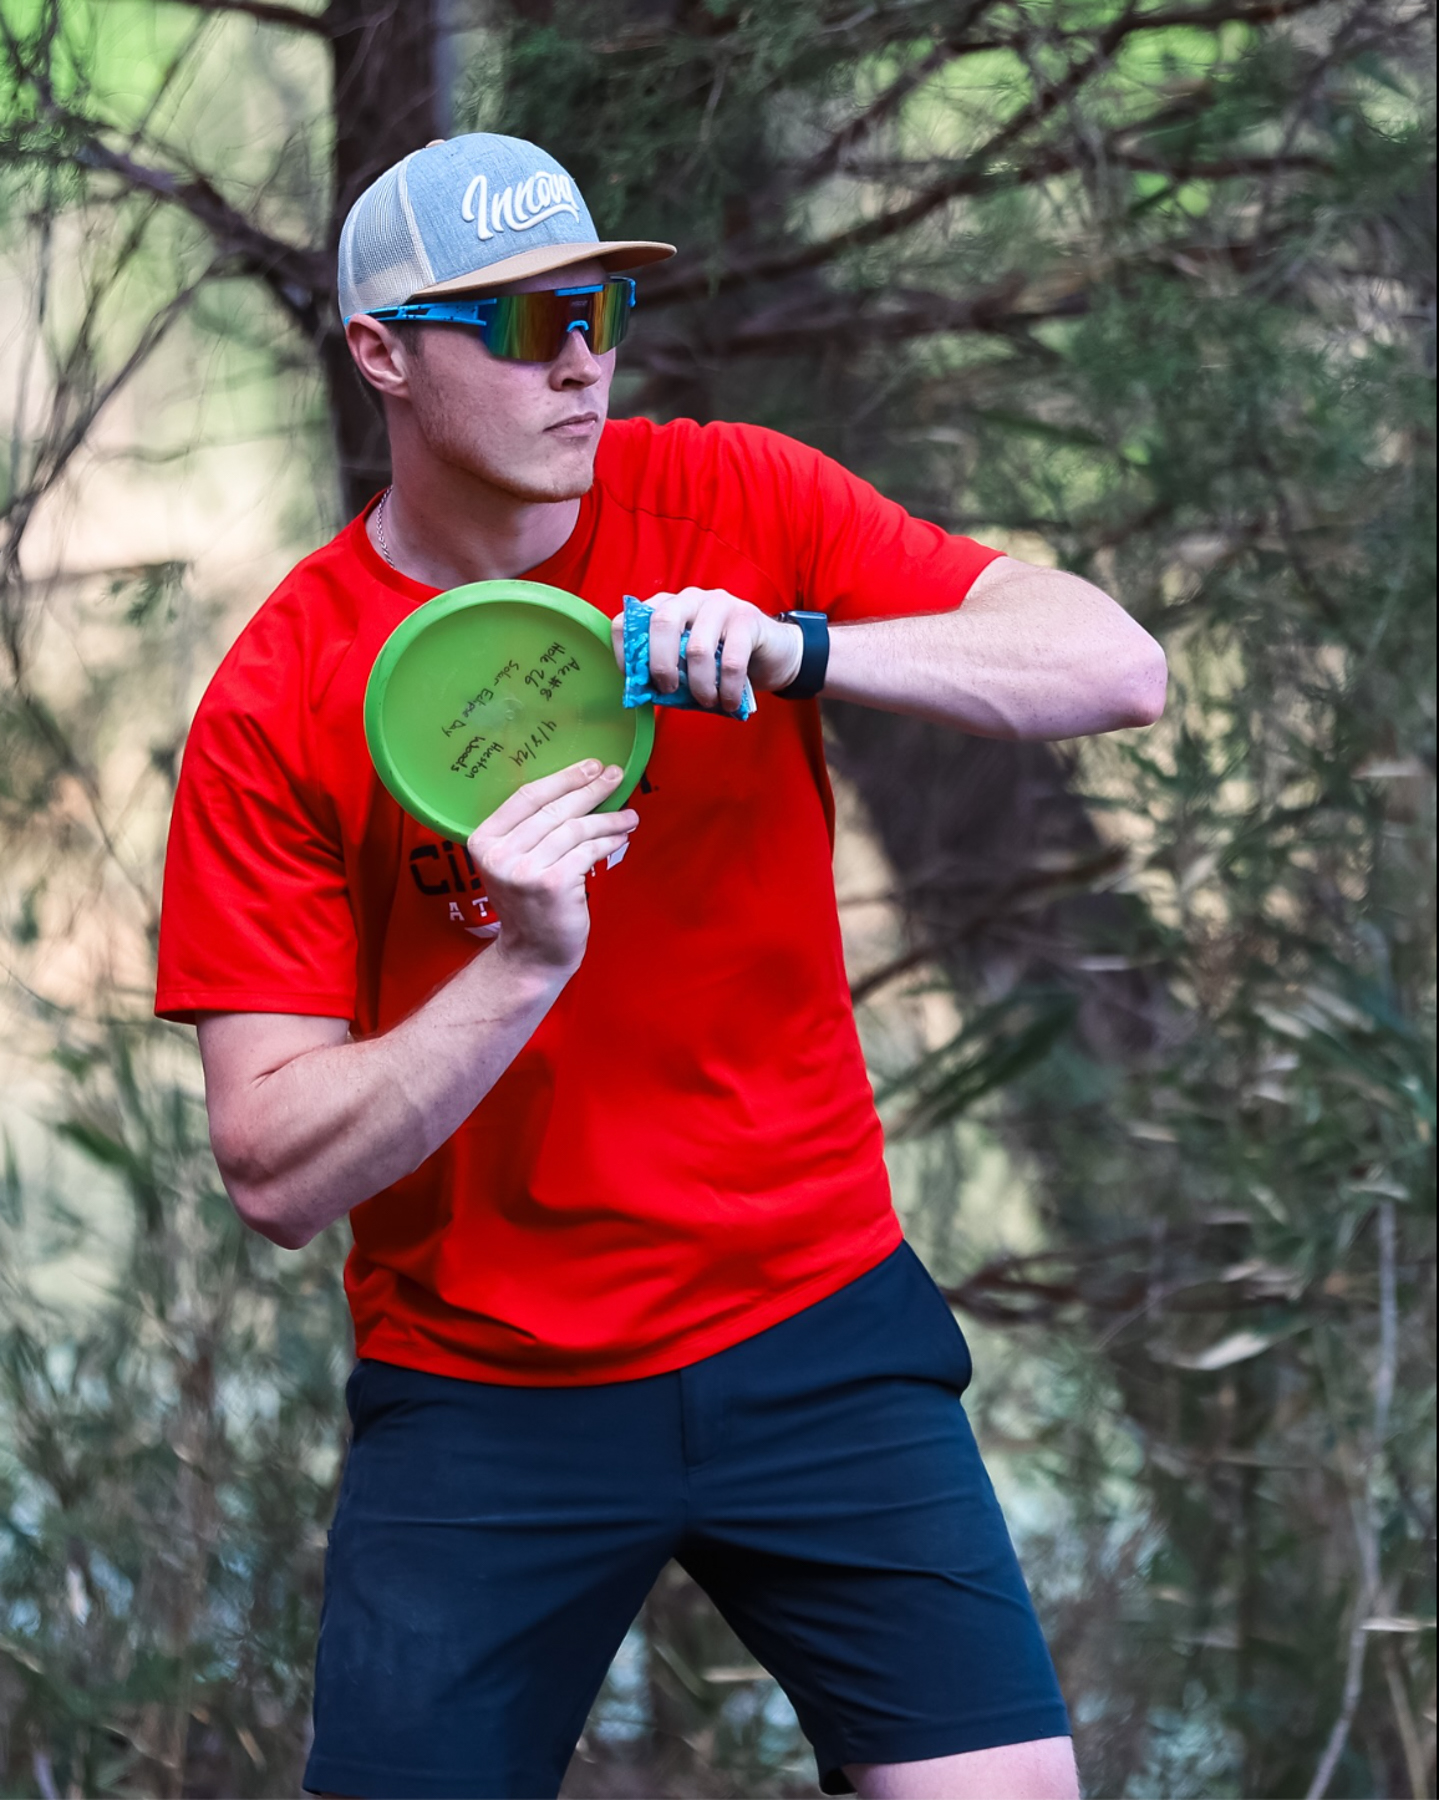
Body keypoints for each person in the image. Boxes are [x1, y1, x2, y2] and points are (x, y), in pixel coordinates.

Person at [156, 133, 1166, 1800]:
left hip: (814, 1324)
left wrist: (807, 645)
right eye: (523, 316)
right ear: (382, 354)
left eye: (603, 303)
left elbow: (1111, 665)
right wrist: (516, 965)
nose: (579, 354)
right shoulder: (283, 695)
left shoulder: (734, 502)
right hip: (484, 1388)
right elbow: (267, 1161)